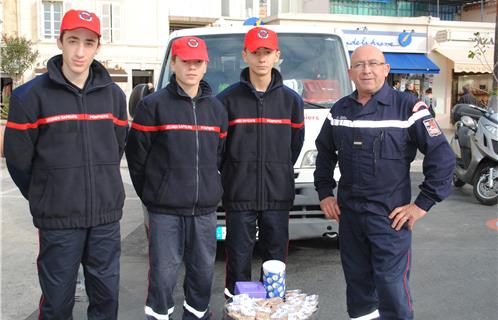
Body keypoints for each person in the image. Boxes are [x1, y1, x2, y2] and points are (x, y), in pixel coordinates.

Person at [314, 45, 455, 320]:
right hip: (350, 217)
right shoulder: (339, 110)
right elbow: (324, 153)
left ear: (386, 69)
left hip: (390, 219)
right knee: (358, 290)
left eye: (374, 63)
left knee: (391, 289)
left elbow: (443, 157)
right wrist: (325, 192)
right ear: (350, 72)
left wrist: (421, 205)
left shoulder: (408, 108)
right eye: (359, 65)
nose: (367, 70)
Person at [4, 9, 128, 319]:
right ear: (59, 41)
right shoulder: (29, 97)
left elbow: (117, 147)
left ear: (98, 46)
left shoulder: (114, 96)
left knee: (106, 299)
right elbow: (19, 162)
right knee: (58, 304)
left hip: (105, 219)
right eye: (73, 41)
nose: (80, 51)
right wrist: (46, 194)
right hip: (58, 221)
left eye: (88, 42)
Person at [125, 36, 227, 320]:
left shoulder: (217, 109)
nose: (191, 68)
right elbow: (137, 158)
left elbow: (219, 154)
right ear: (173, 63)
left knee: (203, 274)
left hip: (204, 211)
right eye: (185, 61)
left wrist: (209, 187)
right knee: (162, 277)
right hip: (165, 211)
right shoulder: (152, 106)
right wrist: (153, 194)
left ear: (206, 65)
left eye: (197, 62)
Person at [217, 26, 305, 298]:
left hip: (277, 194)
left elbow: (295, 144)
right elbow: (219, 148)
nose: (262, 58)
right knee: (239, 262)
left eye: (267, 52)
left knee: (274, 262)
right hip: (239, 194)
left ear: (277, 55)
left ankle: (271, 308)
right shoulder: (227, 100)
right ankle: (237, 311)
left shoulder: (292, 101)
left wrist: (276, 170)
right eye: (256, 52)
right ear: (245, 55)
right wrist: (234, 173)